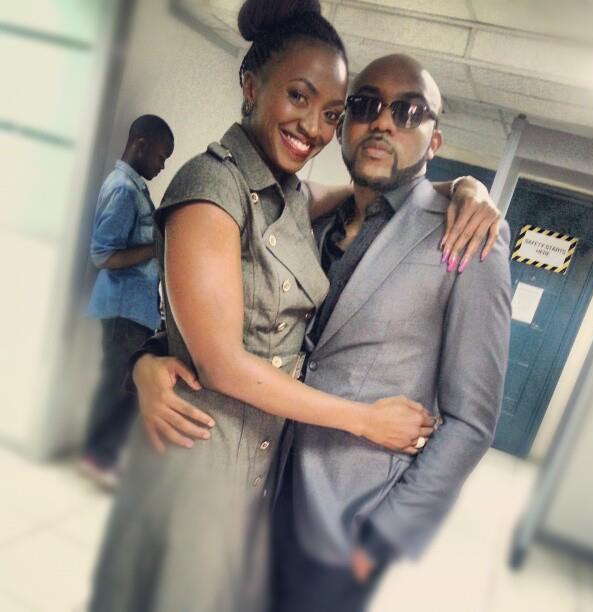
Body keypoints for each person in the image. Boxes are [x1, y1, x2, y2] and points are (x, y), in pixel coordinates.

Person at [132, 56, 510, 612]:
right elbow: (237, 320)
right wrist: (145, 360)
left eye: (408, 112)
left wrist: (382, 538)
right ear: (345, 126)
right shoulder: (304, 218)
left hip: (346, 523)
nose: (383, 122)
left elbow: (471, 423)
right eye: (365, 105)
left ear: (434, 140)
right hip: (253, 484)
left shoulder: (466, 238)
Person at [80, 114, 174, 489]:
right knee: (120, 387)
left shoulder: (135, 188)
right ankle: (97, 457)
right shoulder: (123, 189)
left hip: (136, 311)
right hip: (123, 309)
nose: (162, 165)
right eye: (161, 155)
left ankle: (101, 456)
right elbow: (102, 255)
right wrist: (156, 247)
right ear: (140, 144)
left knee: (127, 388)